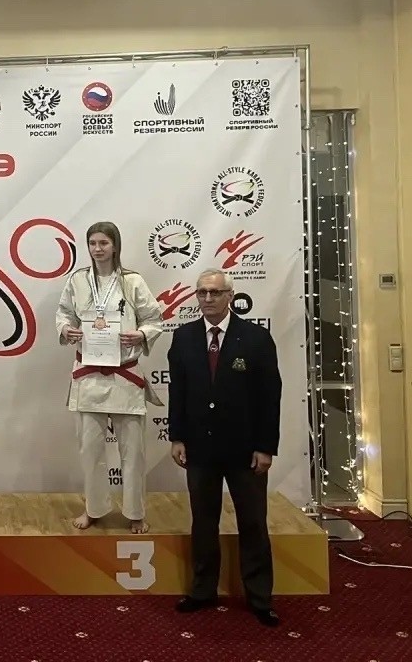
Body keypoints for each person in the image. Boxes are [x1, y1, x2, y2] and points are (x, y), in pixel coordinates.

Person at [168, 268, 282, 627]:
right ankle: (203, 591)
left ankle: (259, 598)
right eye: (202, 292)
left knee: (253, 523)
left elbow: (270, 397)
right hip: (199, 448)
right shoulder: (183, 337)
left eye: (215, 293)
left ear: (230, 296)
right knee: (204, 522)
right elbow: (177, 392)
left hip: (245, 450)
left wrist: (265, 447)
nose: (208, 299)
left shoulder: (256, 338)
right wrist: (177, 437)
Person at [55, 222, 164, 533]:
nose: (97, 248)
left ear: (115, 245)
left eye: (103, 242)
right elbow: (64, 313)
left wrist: (141, 334)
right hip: (89, 375)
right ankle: (94, 508)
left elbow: (153, 318)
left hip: (124, 374)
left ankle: (135, 512)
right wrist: (66, 329)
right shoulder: (77, 280)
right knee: (90, 451)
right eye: (92, 243)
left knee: (134, 453)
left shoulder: (132, 281)